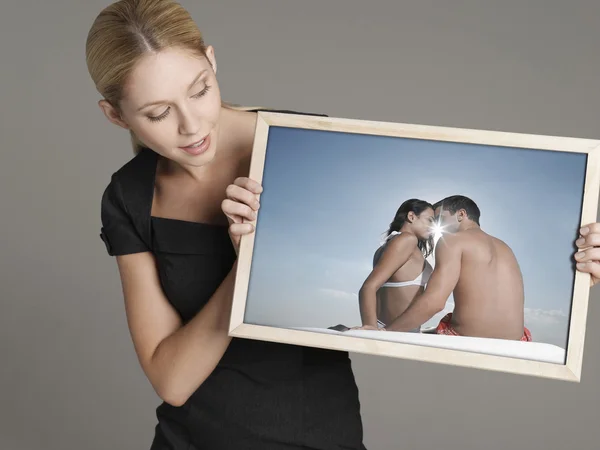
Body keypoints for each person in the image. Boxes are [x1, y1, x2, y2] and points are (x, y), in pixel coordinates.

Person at [86, 1, 366, 449]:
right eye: (158, 114)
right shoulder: (129, 196)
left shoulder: (306, 147)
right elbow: (172, 380)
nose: (192, 125)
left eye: (200, 90)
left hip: (314, 435)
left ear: (212, 62)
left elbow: (358, 304)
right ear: (116, 116)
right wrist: (251, 264)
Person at [384, 195, 532, 341]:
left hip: (469, 340)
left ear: (461, 214)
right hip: (517, 341)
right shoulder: (505, 247)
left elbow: (434, 303)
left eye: (440, 219)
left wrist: (387, 331)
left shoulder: (452, 241)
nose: (435, 226)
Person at [355, 199, 435, 332]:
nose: (432, 227)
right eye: (430, 220)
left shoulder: (387, 245)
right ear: (411, 216)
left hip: (394, 330)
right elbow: (368, 287)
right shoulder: (406, 240)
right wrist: (370, 327)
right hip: (394, 332)